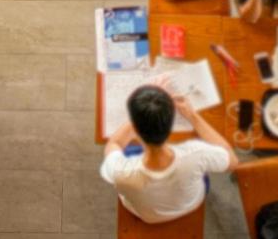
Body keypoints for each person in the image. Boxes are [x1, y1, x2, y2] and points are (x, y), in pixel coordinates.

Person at [100, 83, 236, 224]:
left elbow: (113, 144)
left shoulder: (120, 170)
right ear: (171, 122)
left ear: (135, 129)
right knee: (202, 174)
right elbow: (232, 161)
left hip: (148, 216)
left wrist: (143, 113)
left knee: (128, 151)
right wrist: (192, 116)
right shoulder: (198, 154)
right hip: (189, 204)